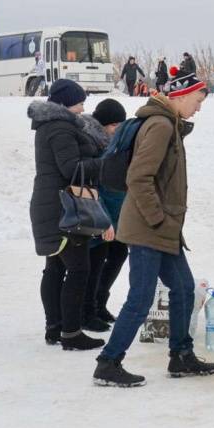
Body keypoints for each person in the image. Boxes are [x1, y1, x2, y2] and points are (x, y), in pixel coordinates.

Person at [91, 66, 214, 387]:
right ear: (181, 95)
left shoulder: (169, 124)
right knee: (141, 297)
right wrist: (158, 219)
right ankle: (108, 363)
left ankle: (181, 355)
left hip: (164, 227)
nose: (199, 107)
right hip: (151, 226)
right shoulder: (160, 126)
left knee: (184, 289)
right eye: (198, 99)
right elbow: (139, 176)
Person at [29, 78, 110, 350]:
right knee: (78, 269)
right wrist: (104, 164)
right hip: (63, 207)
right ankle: (72, 333)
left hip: (50, 203)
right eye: (79, 102)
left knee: (55, 268)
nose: (82, 107)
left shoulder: (49, 126)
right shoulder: (61, 128)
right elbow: (71, 168)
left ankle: (55, 328)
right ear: (66, 103)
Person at [84, 98, 130, 326]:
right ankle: (88, 309)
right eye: (114, 126)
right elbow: (93, 186)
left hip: (117, 213)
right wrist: (103, 219)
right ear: (103, 125)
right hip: (100, 215)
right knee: (96, 260)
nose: (117, 130)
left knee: (119, 254)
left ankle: (100, 303)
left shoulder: (115, 143)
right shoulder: (93, 143)